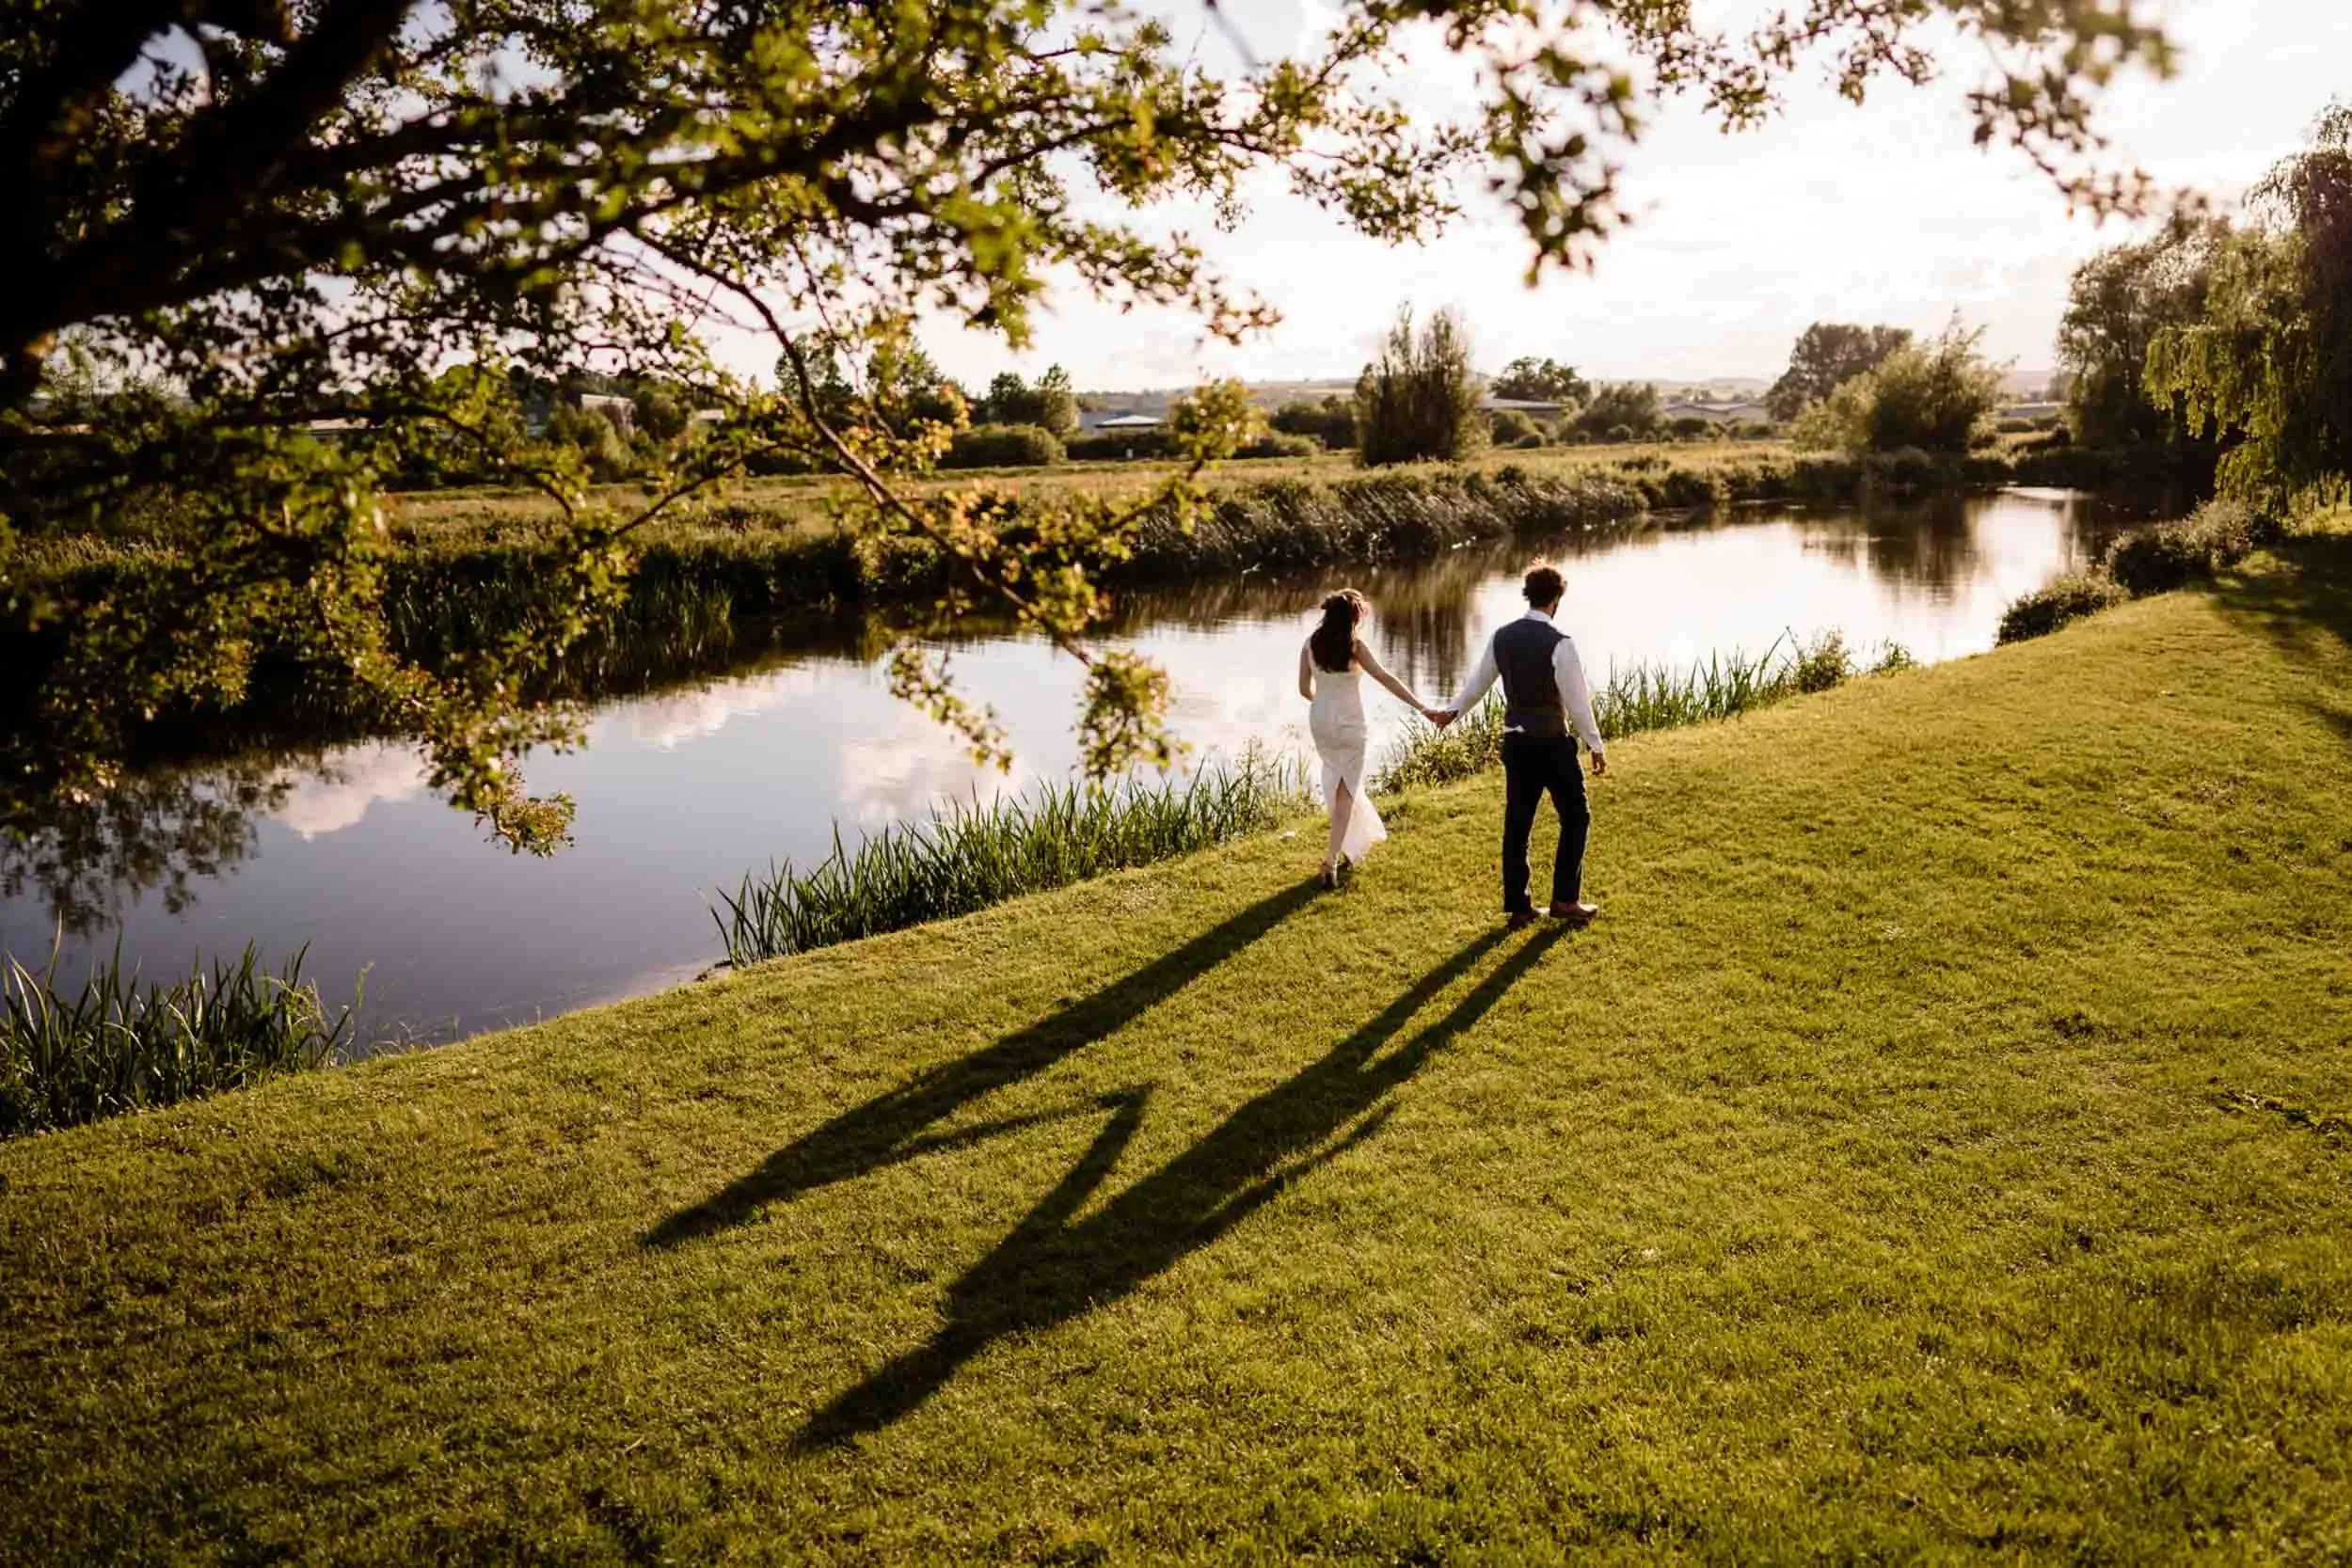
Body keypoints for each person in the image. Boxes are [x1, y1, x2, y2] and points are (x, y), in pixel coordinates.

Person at [1439, 563, 1609, 929]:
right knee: (1576, 818)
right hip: (1550, 743)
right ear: (1556, 598)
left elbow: (1478, 683)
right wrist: (1595, 744)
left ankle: (1519, 907)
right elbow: (1577, 701)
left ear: (1528, 595)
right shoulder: (1560, 642)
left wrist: (1451, 712)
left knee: (1518, 825)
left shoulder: (1502, 636)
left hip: (1515, 743)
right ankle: (1565, 900)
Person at [1299, 590, 1449, 888]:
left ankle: (1345, 846)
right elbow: (1385, 678)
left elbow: (1304, 689)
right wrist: (1423, 707)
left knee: (1334, 782)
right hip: (1350, 724)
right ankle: (1330, 861)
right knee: (1347, 790)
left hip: (1321, 721)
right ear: (1353, 618)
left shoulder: (1310, 645)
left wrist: (1323, 701)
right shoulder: (1354, 646)